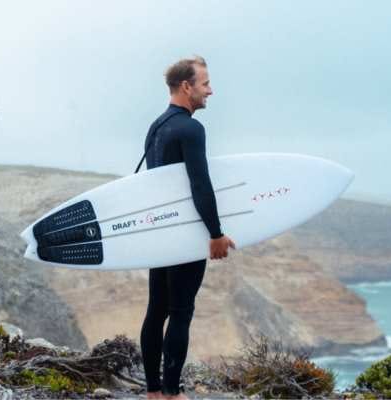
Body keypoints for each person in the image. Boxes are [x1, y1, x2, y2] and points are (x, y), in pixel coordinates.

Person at [139, 56, 236, 400]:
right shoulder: (191, 129)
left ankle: (152, 391)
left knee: (156, 312)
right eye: (205, 83)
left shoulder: (156, 126)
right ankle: (171, 393)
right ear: (186, 86)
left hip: (160, 235)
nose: (211, 90)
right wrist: (215, 234)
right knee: (180, 312)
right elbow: (199, 185)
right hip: (183, 236)